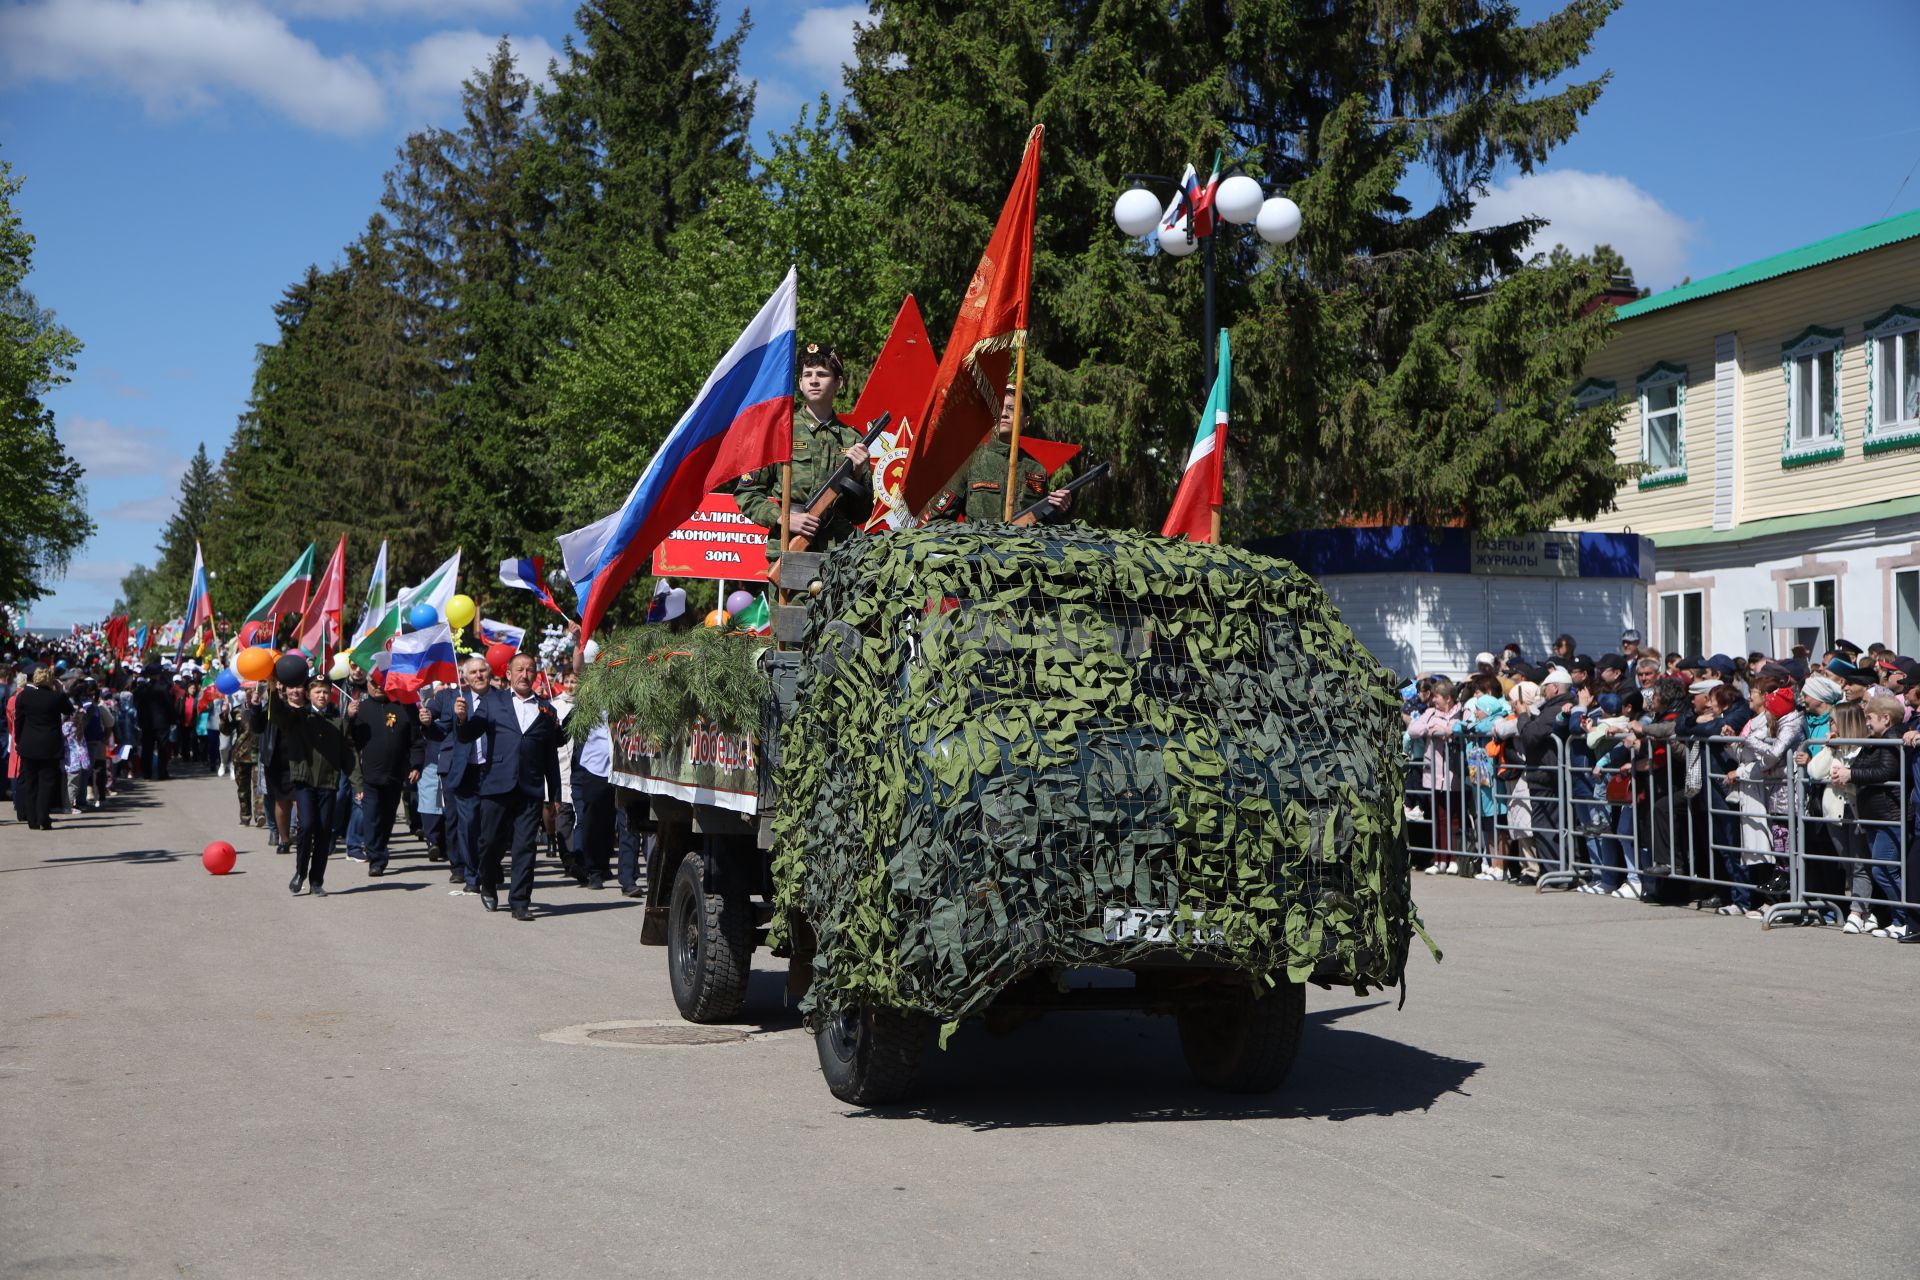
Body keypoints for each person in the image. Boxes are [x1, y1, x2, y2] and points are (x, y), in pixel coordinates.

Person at [736, 342, 871, 563]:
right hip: (790, 548)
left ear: (838, 382)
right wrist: (783, 518)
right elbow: (747, 494)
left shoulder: (853, 440)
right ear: (800, 383)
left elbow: (861, 514)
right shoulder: (780, 432)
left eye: (822, 374)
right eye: (807, 374)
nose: (814, 380)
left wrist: (856, 476)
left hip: (839, 558)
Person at [456, 652, 564, 920]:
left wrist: (556, 795)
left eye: (530, 670)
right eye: (519, 669)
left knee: (525, 847)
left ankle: (520, 902)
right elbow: (470, 732)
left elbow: (550, 757)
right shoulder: (493, 702)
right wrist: (461, 719)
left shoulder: (547, 710)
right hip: (496, 786)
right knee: (490, 842)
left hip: (530, 789)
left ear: (536, 675)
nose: (524, 675)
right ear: (508, 674)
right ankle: (489, 883)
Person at [926, 383, 1073, 523]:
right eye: (999, 408)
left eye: (1011, 408)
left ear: (1026, 421)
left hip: (1020, 548)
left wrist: (1059, 510)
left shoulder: (1036, 470)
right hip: (980, 548)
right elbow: (938, 521)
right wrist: (971, 538)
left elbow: (1045, 526)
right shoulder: (969, 461)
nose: (1004, 413)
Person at [345, 670, 423, 877]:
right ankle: (377, 859)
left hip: (395, 775)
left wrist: (416, 765)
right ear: (367, 684)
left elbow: (415, 741)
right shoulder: (360, 709)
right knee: (371, 818)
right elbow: (347, 740)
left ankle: (380, 847)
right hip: (369, 776)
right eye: (373, 682)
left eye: (382, 682)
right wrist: (349, 718)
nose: (377, 686)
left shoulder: (403, 708)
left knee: (387, 818)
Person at [426, 656, 492, 896]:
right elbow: (441, 729)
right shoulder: (456, 699)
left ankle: (489, 868)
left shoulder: (501, 699)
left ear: (490, 672)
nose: (478, 675)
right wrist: (427, 724)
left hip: (495, 772)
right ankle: (472, 875)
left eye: (482, 670)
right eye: (473, 672)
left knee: (491, 828)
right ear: (464, 676)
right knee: (468, 826)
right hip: (465, 772)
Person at [13, 667, 74, 830]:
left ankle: (32, 819)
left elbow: (18, 721)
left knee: (31, 782)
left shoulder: (23, 696)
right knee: (46, 783)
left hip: (28, 744)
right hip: (49, 745)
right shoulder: (56, 697)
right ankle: (43, 817)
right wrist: (61, 690)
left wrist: (18, 740)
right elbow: (70, 710)